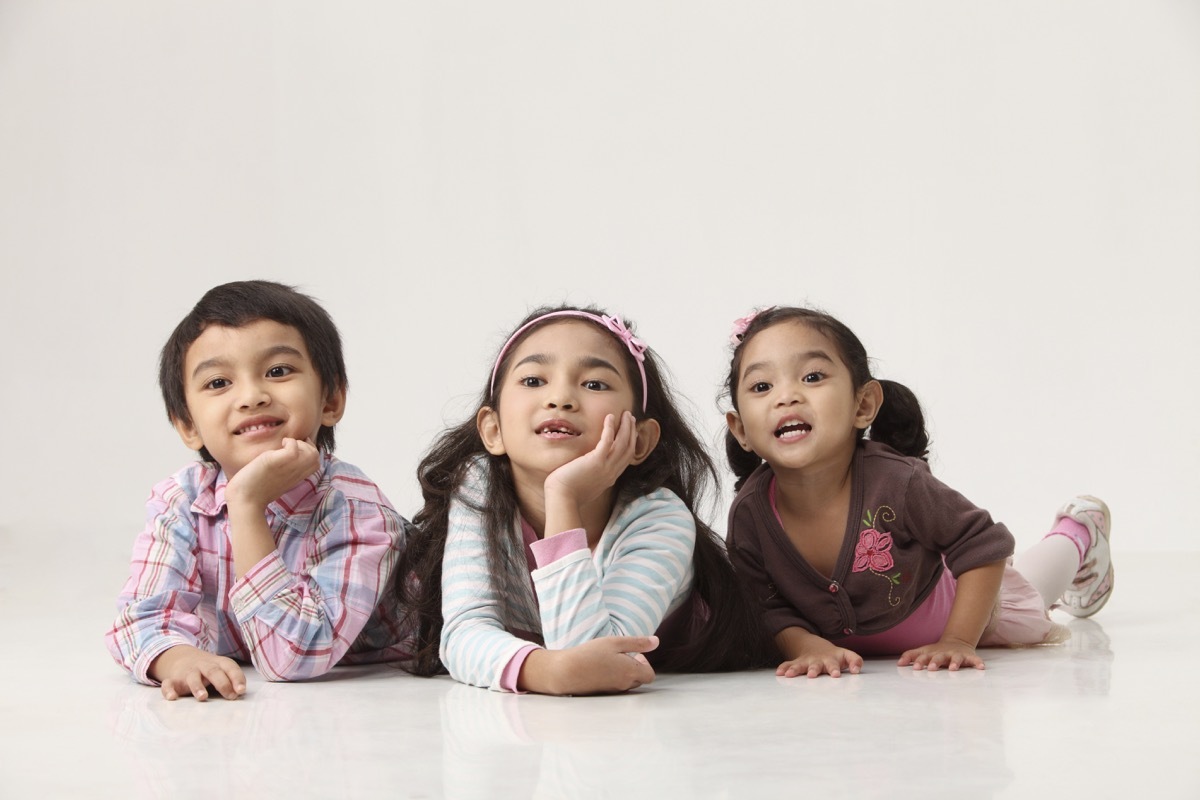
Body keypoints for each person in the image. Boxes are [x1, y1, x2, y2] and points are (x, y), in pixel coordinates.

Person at [394, 305, 768, 694]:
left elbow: (595, 660)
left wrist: (564, 496)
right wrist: (546, 671)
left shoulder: (659, 518)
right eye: (534, 380)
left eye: (594, 384)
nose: (560, 398)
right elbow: (463, 633)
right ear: (493, 430)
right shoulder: (479, 485)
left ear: (639, 439)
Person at [722, 306, 1113, 678]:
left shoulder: (897, 482)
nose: (786, 396)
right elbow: (764, 605)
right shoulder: (751, 515)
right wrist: (806, 646)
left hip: (971, 615)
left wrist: (959, 639)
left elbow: (984, 546)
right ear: (740, 429)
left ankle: (1079, 533)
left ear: (863, 404)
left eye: (812, 377)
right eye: (761, 386)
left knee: (1035, 584)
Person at [106, 280, 410, 701]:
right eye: (218, 383)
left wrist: (246, 506)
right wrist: (177, 658)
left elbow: (293, 656)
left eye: (278, 371)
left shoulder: (353, 507)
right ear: (188, 425)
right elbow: (139, 619)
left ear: (330, 400)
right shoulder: (182, 500)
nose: (251, 397)